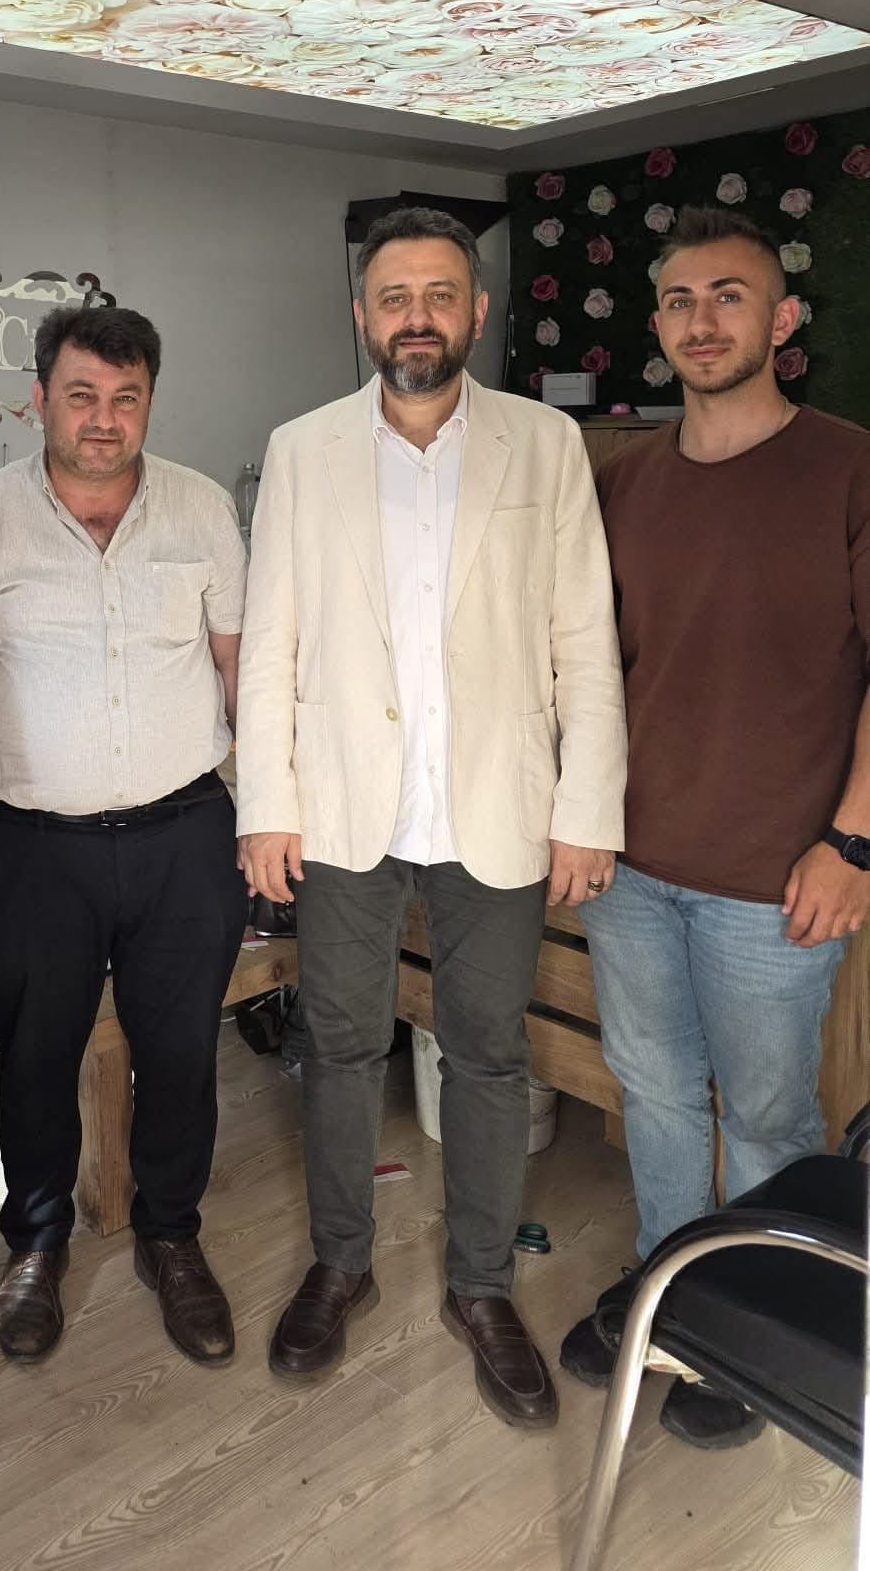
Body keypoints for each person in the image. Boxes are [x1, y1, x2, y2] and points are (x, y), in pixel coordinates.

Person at [237, 206, 626, 1429]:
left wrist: (588, 808)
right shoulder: (301, 448)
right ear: (363, 313)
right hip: (345, 802)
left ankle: (482, 1284)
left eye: (440, 294)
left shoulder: (544, 442)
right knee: (341, 1041)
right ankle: (341, 1261)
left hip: (497, 805)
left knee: (490, 1051)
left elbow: (584, 637)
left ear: (477, 309)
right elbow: (272, 642)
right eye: (396, 295)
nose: (418, 316)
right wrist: (266, 803)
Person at [560, 206, 870, 1447]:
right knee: (654, 1092)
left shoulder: (848, 467)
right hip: (631, 864)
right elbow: (587, 667)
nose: (703, 319)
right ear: (657, 323)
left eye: (729, 295)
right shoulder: (623, 480)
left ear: (781, 318)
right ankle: (669, 1289)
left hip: (776, 876)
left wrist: (853, 842)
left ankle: (751, 1321)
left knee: (768, 1116)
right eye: (682, 298)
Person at [0, 305, 249, 1365]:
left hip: (185, 833)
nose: (103, 418)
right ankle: (36, 1241)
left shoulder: (202, 508)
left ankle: (171, 1233)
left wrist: (263, 811)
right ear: (40, 398)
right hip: (34, 844)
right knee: (34, 1052)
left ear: (149, 400)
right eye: (81, 395)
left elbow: (241, 671)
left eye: (126, 397)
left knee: (181, 1050)